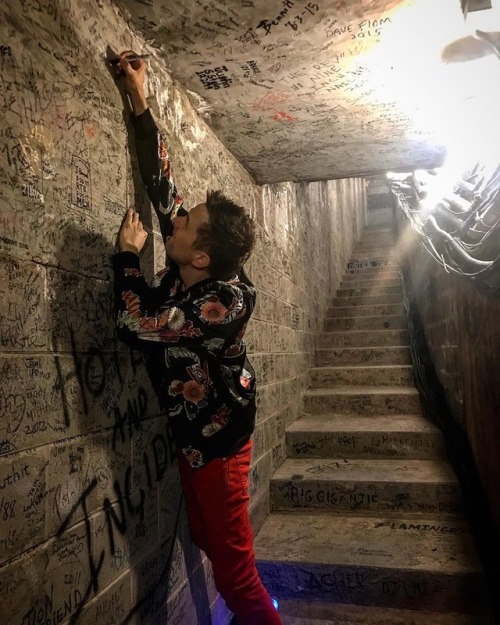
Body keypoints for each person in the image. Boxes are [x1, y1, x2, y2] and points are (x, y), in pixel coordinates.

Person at [112, 52, 282, 625]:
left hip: (221, 446)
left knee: (236, 577)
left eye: (186, 225)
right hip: (196, 437)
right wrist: (139, 97)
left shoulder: (217, 303)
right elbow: (163, 185)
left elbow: (136, 324)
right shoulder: (199, 260)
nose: (177, 222)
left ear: (202, 256)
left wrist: (127, 260)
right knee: (210, 544)